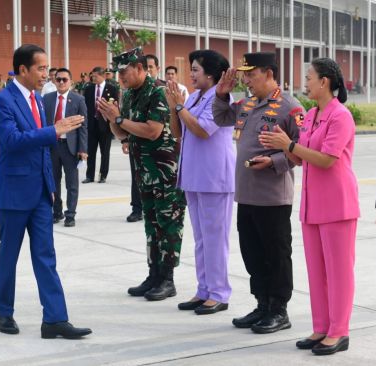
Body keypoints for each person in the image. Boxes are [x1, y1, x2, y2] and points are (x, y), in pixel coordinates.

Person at [0, 44, 91, 339]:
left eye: (47, 68)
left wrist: (50, 185)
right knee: (9, 255)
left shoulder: (38, 99)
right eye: (41, 68)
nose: (47, 74)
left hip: (41, 193)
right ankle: (4, 312)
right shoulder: (4, 100)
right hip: (15, 191)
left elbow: (45, 150)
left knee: (46, 255)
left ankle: (55, 319)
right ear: (23, 70)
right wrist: (54, 130)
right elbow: (11, 141)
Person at [260, 58, 359, 355]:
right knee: (317, 271)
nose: (305, 81)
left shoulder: (340, 116)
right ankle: (321, 327)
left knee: (339, 271)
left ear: (325, 82)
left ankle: (339, 331)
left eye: (309, 77)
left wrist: (287, 145)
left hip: (338, 204)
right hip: (313, 204)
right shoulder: (312, 114)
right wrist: (281, 146)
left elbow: (328, 159)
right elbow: (303, 157)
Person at [213, 52, 303, 334]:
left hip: (273, 196)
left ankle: (279, 309)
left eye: (251, 74)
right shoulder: (247, 103)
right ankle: (262, 303)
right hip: (247, 194)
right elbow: (221, 118)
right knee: (252, 253)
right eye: (245, 75)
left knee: (275, 254)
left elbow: (302, 152)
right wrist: (222, 94)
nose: (246, 79)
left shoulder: (290, 106)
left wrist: (275, 161)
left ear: (267, 73)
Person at [97, 47, 186, 301]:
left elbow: (152, 131)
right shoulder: (130, 95)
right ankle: (153, 274)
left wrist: (120, 119)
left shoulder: (156, 91)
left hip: (164, 172)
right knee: (151, 225)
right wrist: (112, 120)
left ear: (140, 68)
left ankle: (167, 279)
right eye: (118, 73)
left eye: (124, 72)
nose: (120, 77)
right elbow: (123, 135)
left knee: (168, 224)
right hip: (144, 172)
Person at [167, 50, 235, 315]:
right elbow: (178, 132)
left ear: (211, 74)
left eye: (196, 69)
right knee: (201, 239)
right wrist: (176, 107)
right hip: (194, 176)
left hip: (214, 178)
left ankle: (219, 293)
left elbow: (202, 130)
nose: (191, 74)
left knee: (215, 239)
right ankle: (204, 289)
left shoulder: (222, 99)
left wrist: (180, 107)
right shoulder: (194, 97)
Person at [42, 67, 88, 227]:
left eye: (64, 79)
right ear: (54, 81)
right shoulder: (46, 99)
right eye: (58, 79)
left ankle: (71, 214)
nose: (61, 82)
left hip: (71, 147)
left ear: (71, 82)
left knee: (72, 183)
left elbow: (83, 127)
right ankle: (57, 212)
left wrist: (83, 149)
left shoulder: (78, 99)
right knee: (53, 181)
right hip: (52, 146)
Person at [83, 66, 118, 184]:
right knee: (90, 152)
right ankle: (89, 175)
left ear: (102, 76)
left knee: (105, 152)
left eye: (95, 76)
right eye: (92, 76)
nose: (93, 78)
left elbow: (115, 107)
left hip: (105, 126)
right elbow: (85, 107)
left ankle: (103, 175)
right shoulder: (88, 89)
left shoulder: (112, 89)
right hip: (92, 125)